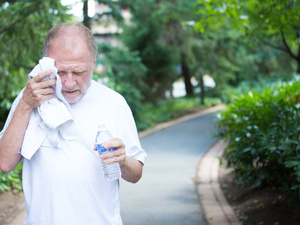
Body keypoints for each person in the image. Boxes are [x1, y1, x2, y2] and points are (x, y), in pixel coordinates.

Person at [0, 22, 147, 225]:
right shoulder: (30, 98)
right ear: (46, 64)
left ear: (93, 64)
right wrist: (26, 104)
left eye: (78, 72)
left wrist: (123, 160)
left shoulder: (114, 103)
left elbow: (136, 174)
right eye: (60, 72)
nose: (68, 83)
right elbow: (5, 162)